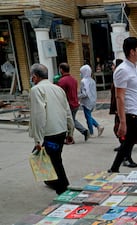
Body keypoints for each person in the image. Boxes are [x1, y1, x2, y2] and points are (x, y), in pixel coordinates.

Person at [109, 37, 137, 172]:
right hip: (131, 114)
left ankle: (114, 169)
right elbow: (120, 97)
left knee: (128, 143)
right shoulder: (122, 70)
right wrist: (122, 122)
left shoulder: (135, 67)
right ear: (132, 51)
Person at [28, 63, 74, 195]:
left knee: (55, 161)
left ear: (35, 77)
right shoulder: (58, 89)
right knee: (55, 159)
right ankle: (54, 182)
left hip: (49, 133)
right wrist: (70, 131)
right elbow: (67, 111)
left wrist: (37, 140)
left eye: (32, 77)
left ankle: (63, 188)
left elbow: (38, 115)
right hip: (60, 131)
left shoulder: (36, 90)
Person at [57, 62, 89, 144]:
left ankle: (70, 138)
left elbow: (59, 94)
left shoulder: (61, 81)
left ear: (61, 70)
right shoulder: (73, 80)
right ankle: (82, 132)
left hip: (68, 104)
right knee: (72, 120)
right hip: (75, 103)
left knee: (68, 122)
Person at [78, 64, 104, 138]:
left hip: (86, 102)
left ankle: (91, 132)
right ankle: (98, 126)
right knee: (88, 115)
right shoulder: (92, 80)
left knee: (88, 117)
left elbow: (84, 94)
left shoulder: (83, 81)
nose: (80, 74)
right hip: (92, 101)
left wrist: (78, 97)